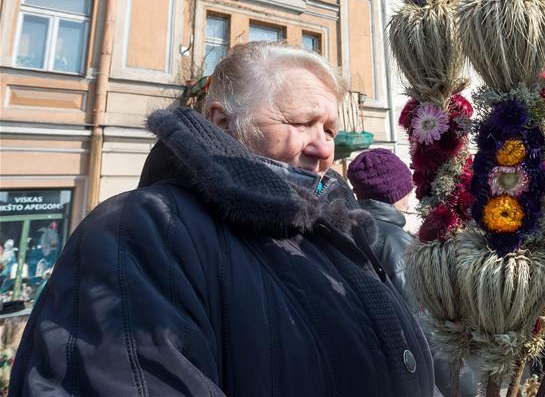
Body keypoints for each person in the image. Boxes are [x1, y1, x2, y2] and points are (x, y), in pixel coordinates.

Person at [10, 42, 434, 396]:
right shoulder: (142, 229)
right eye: (303, 123)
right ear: (222, 121)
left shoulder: (341, 232)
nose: (323, 148)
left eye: (329, 129)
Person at [347, 148, 477, 397]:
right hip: (411, 376)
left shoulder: (351, 230)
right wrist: (463, 388)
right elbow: (424, 327)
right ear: (395, 191)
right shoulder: (395, 243)